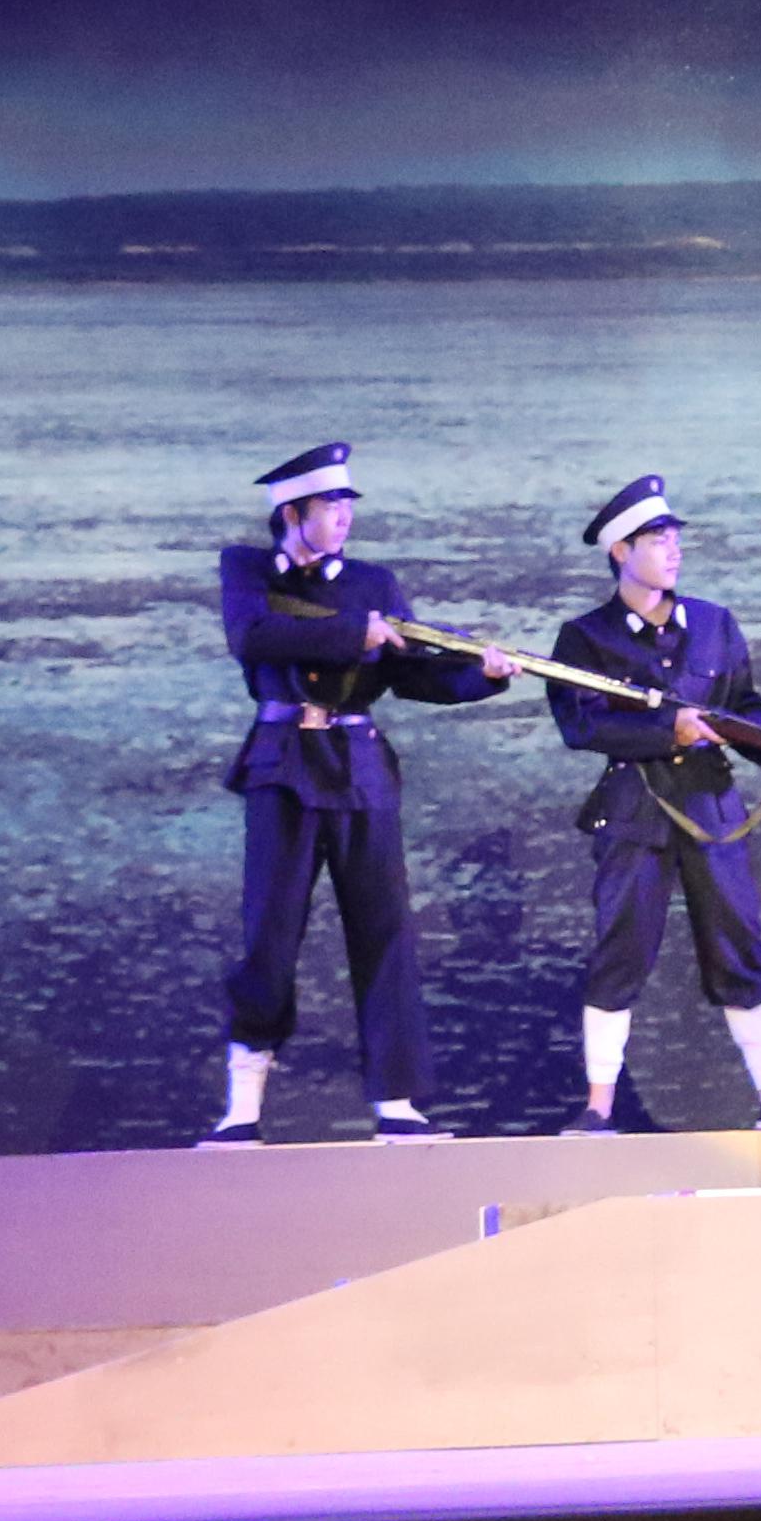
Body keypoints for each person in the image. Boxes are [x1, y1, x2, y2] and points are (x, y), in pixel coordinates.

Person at [205, 442, 511, 1146]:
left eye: (347, 505)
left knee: (385, 931)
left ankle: (397, 1103)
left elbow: (413, 674)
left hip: (359, 766)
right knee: (268, 936)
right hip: (282, 764)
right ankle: (242, 1108)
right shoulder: (247, 568)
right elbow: (253, 635)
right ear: (292, 513)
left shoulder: (374, 581)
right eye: (330, 506)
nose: (344, 518)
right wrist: (354, 632)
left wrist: (483, 676)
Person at [545, 474, 761, 1134]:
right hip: (634, 810)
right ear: (620, 551)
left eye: (675, 537)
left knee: (740, 945)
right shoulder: (584, 637)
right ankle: (598, 1107)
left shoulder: (713, 622)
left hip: (711, 806)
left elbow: (743, 709)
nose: (673, 550)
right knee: (620, 951)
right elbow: (581, 725)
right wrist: (663, 731)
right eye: (657, 539)